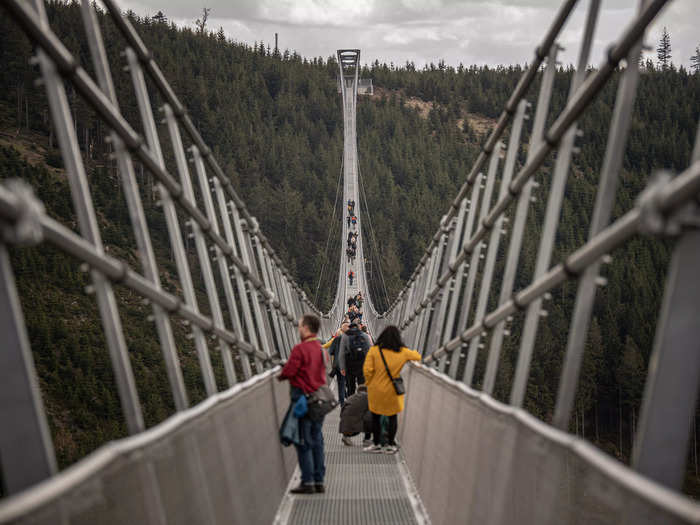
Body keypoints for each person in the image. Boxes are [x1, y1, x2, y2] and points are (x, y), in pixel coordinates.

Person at [278, 314, 328, 494]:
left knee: (303, 441)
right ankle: (319, 480)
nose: (298, 329)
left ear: (306, 328)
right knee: (317, 439)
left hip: (303, 399)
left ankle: (307, 482)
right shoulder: (322, 350)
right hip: (320, 400)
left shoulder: (300, 349)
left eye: (299, 326)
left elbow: (290, 371)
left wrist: (281, 374)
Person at [363, 326, 421, 454]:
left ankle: (376, 443)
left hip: (376, 389)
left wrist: (369, 384)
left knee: (376, 417)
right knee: (392, 417)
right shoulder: (402, 352)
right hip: (392, 391)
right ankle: (390, 444)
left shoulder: (374, 351)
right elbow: (417, 357)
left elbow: (367, 371)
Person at [338, 322, 372, 397]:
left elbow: (341, 353)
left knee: (351, 387)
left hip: (350, 365)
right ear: (358, 327)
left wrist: (342, 368)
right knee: (362, 386)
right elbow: (370, 350)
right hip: (362, 364)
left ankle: (351, 403)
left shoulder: (345, 336)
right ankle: (363, 403)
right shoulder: (365, 335)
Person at [327, 321, 350, 406]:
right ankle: (346, 400)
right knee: (345, 383)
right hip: (346, 365)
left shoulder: (337, 339)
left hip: (337, 365)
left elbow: (331, 351)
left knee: (341, 383)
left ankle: (342, 401)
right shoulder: (350, 339)